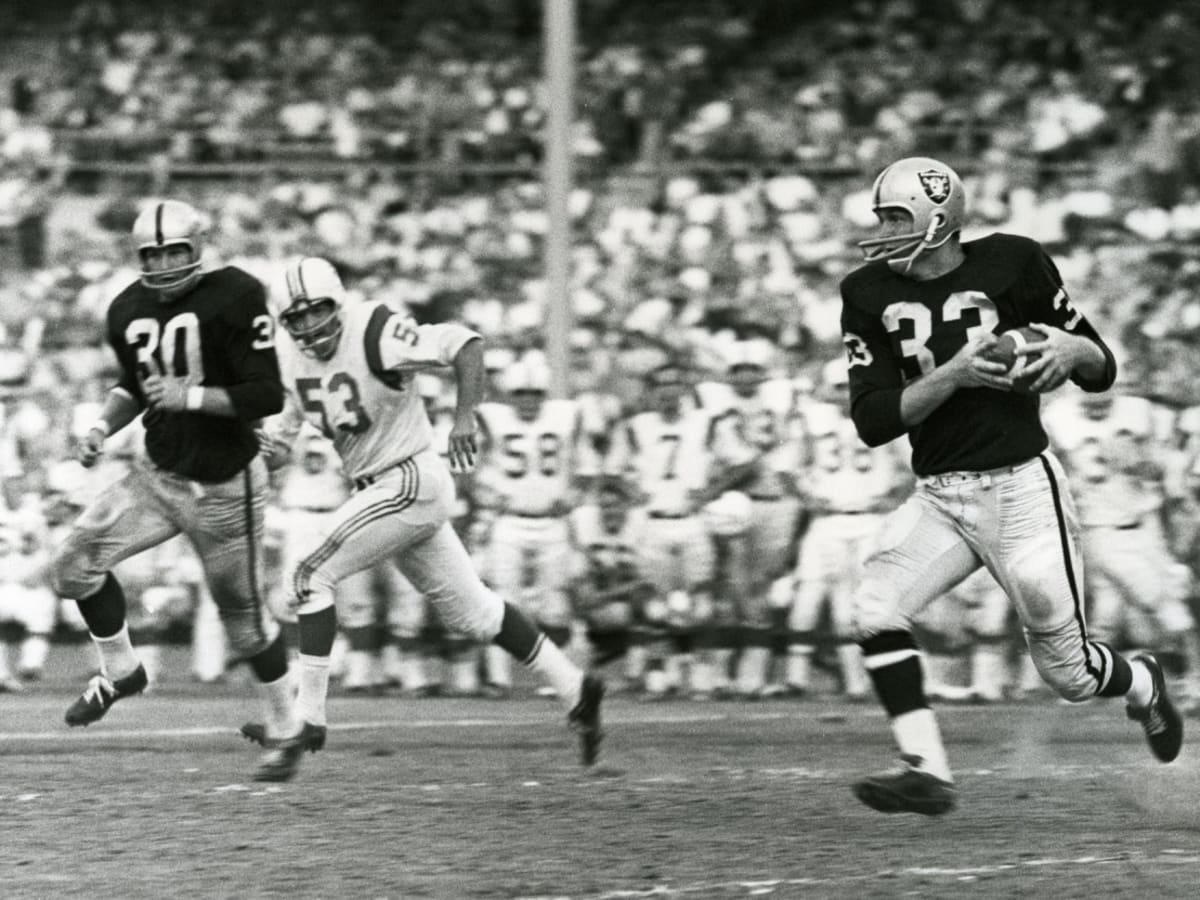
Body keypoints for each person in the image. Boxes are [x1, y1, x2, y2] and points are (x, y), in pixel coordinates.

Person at [839, 157, 1183, 816]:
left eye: (895, 216)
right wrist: (954, 375)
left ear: (940, 221)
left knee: (1070, 674)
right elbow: (873, 421)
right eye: (880, 215)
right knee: (875, 605)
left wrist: (1068, 350)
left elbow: (1099, 364)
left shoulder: (1015, 262)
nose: (881, 229)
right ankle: (927, 770)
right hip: (940, 495)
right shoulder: (866, 291)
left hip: (1021, 489)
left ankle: (1139, 679)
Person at [243, 256, 604, 781]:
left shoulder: (374, 330)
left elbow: (466, 344)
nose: (307, 327)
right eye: (295, 319)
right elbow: (292, 424)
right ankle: (576, 688)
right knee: (475, 614)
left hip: (408, 477)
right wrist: (268, 447)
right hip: (384, 489)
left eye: (316, 313)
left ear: (337, 305)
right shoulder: (289, 357)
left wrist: (464, 418)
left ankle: (307, 719)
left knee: (308, 574)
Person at [48, 199, 300, 777]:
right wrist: (99, 429)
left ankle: (286, 729)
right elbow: (136, 386)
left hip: (224, 485)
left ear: (198, 248)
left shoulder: (235, 293)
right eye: (152, 253)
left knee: (244, 619)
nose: (162, 264)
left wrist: (189, 397)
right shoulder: (125, 307)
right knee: (72, 566)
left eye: (173, 251)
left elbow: (266, 395)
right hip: (156, 476)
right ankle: (122, 671)